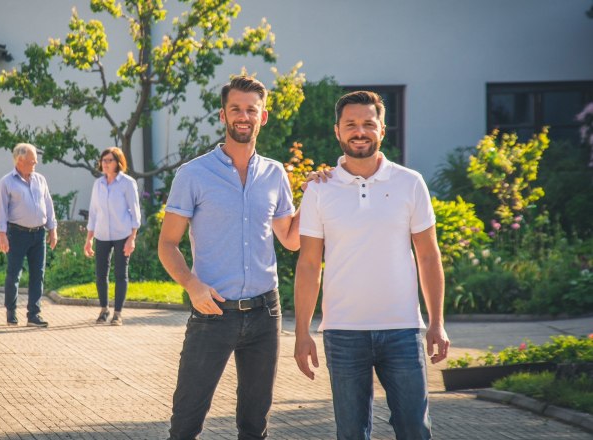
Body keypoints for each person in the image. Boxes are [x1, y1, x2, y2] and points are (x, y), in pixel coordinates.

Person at [293, 91, 450, 439]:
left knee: (415, 428)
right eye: (351, 124)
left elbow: (428, 256)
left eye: (368, 123)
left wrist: (437, 323)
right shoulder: (320, 189)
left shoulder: (410, 182)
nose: (359, 131)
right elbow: (308, 265)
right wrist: (302, 332)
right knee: (351, 432)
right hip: (343, 332)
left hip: (402, 329)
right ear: (337, 130)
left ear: (382, 128)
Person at [158, 75, 300, 440]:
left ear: (262, 116)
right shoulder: (193, 174)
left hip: (265, 312)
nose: (243, 116)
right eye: (235, 108)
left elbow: (290, 239)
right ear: (223, 115)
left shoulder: (275, 174)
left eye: (251, 110)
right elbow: (167, 244)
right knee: (186, 422)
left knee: (255, 425)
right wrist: (192, 285)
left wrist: (319, 195)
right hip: (213, 311)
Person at [0, 143, 58, 327]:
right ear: (20, 161)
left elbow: (48, 205)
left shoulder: (40, 180)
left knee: (38, 274)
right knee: (14, 274)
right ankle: (11, 311)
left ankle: (34, 315)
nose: (35, 164)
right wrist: (2, 235)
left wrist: (52, 229)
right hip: (17, 234)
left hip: (39, 234)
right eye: (32, 161)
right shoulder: (6, 183)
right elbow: (0, 211)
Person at [83, 147, 141, 326]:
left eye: (110, 160)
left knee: (120, 274)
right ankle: (104, 310)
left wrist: (132, 238)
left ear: (118, 162)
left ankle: (117, 313)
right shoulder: (98, 184)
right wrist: (89, 239)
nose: (106, 164)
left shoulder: (127, 183)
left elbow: (135, 212)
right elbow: (93, 212)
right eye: (104, 160)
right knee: (101, 274)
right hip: (101, 234)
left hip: (122, 234)